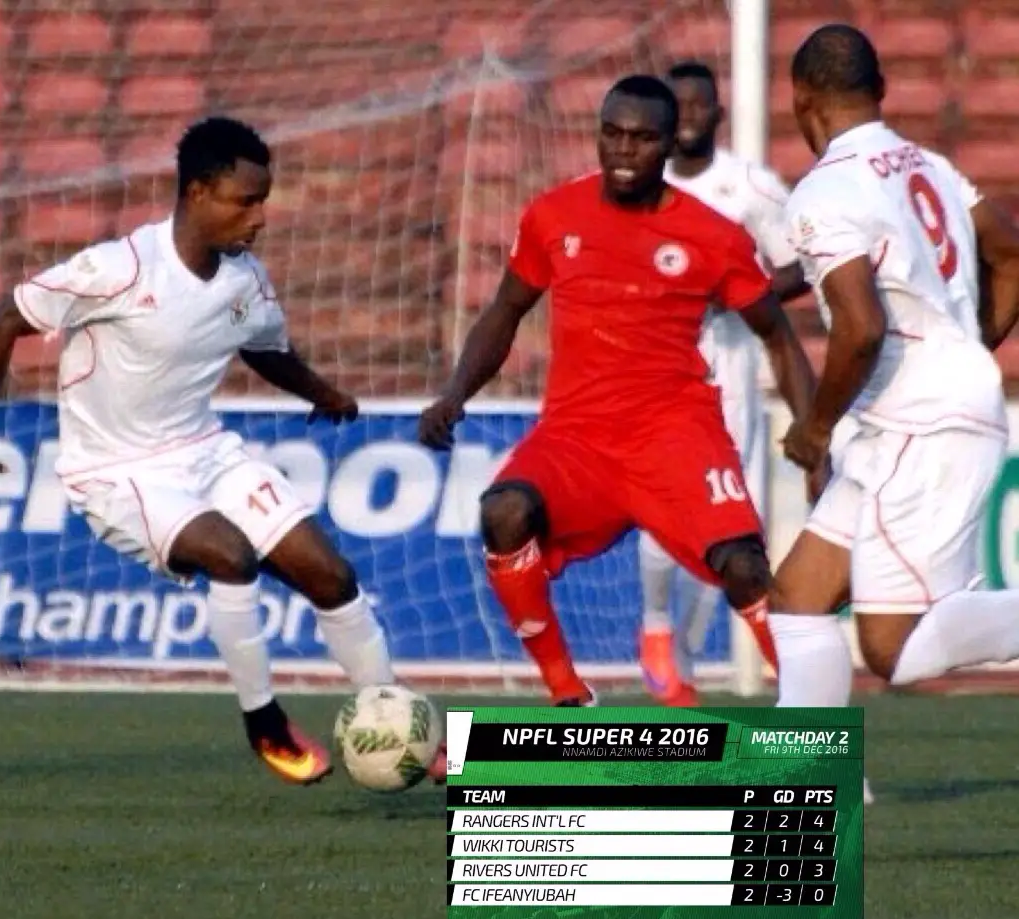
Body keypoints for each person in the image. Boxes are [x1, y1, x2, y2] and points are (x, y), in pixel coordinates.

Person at [0, 116, 446, 786]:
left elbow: (264, 347)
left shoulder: (244, 280)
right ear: (197, 192)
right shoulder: (119, 268)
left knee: (332, 576)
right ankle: (264, 723)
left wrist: (322, 391)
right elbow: (1, 320)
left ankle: (397, 720)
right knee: (230, 554)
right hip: (116, 474)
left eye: (263, 200)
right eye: (245, 201)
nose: (260, 217)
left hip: (206, 451)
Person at [418, 75, 819, 706]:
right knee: (504, 512)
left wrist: (814, 434)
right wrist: (454, 394)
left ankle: (817, 722)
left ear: (669, 145)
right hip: (577, 436)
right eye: (612, 134)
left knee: (745, 569)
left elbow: (778, 336)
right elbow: (505, 310)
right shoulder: (554, 215)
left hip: (674, 433)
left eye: (642, 138)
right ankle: (566, 692)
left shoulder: (714, 236)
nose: (624, 150)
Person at [769, 25, 1019, 724]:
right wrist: (969, 347)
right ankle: (809, 774)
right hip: (910, 421)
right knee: (798, 597)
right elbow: (1010, 256)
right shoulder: (929, 166)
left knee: (892, 648)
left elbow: (861, 327)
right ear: (878, 89)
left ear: (801, 98)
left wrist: (815, 427)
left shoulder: (823, 192)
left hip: (920, 426)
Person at [637, 60, 812, 706]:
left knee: (727, 528)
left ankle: (682, 664)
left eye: (697, 105)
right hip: (653, 369)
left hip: (728, 376)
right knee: (661, 510)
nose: (687, 116)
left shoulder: (750, 188)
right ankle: (657, 626)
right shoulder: (637, 184)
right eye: (676, 105)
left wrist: (740, 293)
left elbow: (802, 265)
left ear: (717, 113)